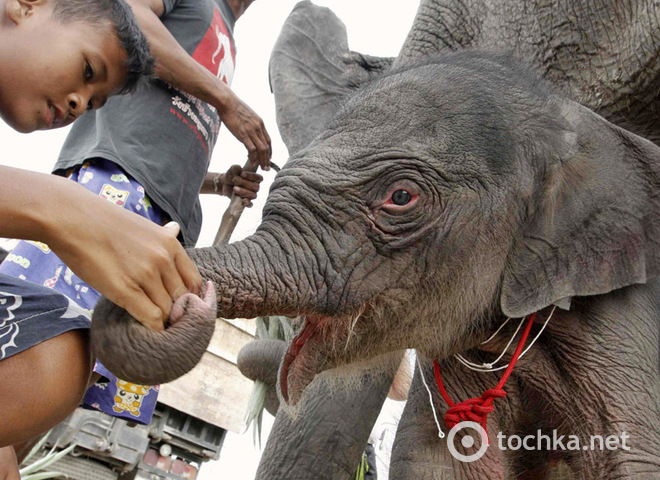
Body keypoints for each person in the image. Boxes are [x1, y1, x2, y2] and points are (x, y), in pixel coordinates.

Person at [0, 0, 271, 473]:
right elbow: (129, 21)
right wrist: (228, 101)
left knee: (68, 368)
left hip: (156, 220)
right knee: (49, 341)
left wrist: (216, 184)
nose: (80, 103)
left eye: (97, 96)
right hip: (110, 192)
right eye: (88, 73)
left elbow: (161, 150)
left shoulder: (227, 35)